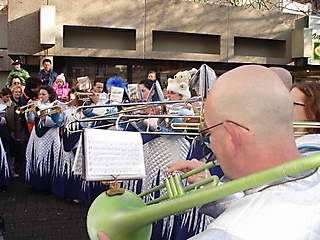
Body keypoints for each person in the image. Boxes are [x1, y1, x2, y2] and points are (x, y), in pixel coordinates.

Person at [97, 65, 320, 239]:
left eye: (210, 133)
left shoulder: (226, 233)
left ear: (232, 135)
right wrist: (212, 186)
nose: (210, 144)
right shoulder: (312, 161)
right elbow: (272, 204)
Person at [24, 85, 63, 191]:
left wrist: (45, 118)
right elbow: (31, 119)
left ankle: (47, 185)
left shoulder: (55, 104)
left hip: (50, 135)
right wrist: (28, 110)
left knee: (48, 158)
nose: (41, 96)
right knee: (35, 156)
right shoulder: (37, 104)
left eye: (44, 94)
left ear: (49, 95)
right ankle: (35, 182)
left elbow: (58, 122)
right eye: (40, 94)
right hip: (36, 135)